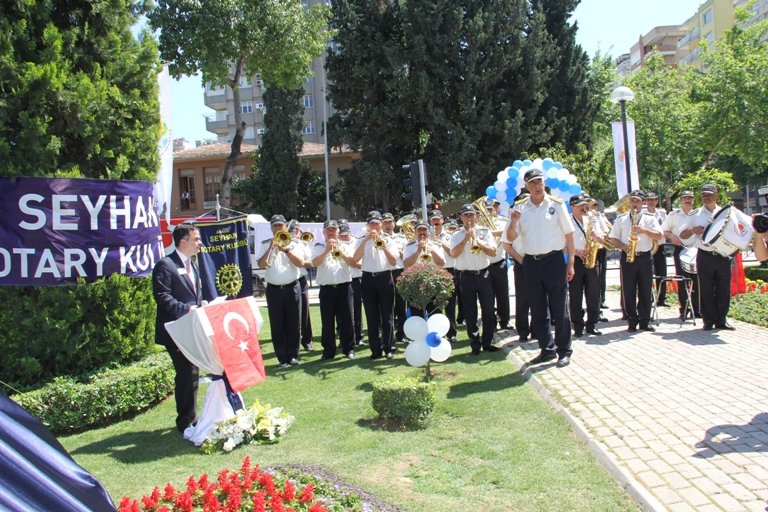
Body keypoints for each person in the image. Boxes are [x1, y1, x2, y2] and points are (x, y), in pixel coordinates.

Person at [506, 168, 575, 368]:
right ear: (526, 186)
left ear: (544, 182)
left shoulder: (556, 204)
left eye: (539, 181)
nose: (537, 186)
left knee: (559, 308)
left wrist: (570, 262)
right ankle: (547, 348)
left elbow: (569, 234)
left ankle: (564, 351)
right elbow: (510, 238)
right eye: (533, 183)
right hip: (531, 262)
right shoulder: (520, 208)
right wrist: (513, 222)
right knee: (537, 309)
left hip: (553, 260)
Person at [152, 222, 203, 432]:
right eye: (196, 239)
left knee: (192, 372)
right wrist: (187, 309)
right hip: (175, 330)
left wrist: (202, 306)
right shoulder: (165, 265)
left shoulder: (193, 263)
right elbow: (162, 297)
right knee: (186, 373)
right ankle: (186, 422)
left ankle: (191, 417)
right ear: (183, 242)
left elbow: (194, 294)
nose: (200, 243)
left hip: (191, 328)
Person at [679, 184, 735, 331]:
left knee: (723, 289)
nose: (706, 197)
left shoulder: (726, 213)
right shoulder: (695, 214)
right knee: (706, 289)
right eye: (704, 194)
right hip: (705, 255)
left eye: (709, 194)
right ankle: (708, 321)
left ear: (716, 195)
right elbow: (682, 234)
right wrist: (692, 230)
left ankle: (721, 320)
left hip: (723, 255)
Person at [450, 203, 500, 356]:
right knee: (470, 312)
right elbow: (453, 254)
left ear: (476, 216)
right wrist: (466, 239)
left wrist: (477, 241)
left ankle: (488, 342)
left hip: (484, 274)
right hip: (466, 276)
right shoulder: (456, 235)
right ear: (461, 217)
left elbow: (493, 252)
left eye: (471, 215)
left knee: (488, 310)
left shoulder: (485, 231)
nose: (469, 218)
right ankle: (475, 344)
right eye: (466, 215)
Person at [609, 190, 663, 332]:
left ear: (643, 202)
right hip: (627, 257)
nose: (635, 203)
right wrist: (623, 246)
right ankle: (632, 321)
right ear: (629, 202)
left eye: (638, 201)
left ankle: (645, 321)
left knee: (645, 289)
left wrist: (643, 230)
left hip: (644, 256)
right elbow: (613, 238)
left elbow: (659, 236)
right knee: (628, 290)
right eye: (632, 200)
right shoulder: (621, 219)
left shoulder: (650, 218)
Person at [257, 215, 306, 366]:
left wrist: (286, 250)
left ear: (285, 226)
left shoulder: (295, 243)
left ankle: (293, 355)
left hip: (292, 287)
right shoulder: (265, 244)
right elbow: (261, 264)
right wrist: (271, 247)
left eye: (280, 225)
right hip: (274, 290)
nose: (278, 228)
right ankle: (281, 357)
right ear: (271, 228)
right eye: (275, 226)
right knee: (277, 324)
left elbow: (300, 263)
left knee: (294, 323)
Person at [353, 211, 399, 359]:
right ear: (368, 225)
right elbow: (355, 259)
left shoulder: (389, 239)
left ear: (381, 225)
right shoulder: (361, 240)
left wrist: (383, 245)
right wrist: (366, 240)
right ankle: (375, 350)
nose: (374, 226)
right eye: (371, 223)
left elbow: (393, 261)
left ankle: (389, 347)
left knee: (387, 316)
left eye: (376, 223)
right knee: (371, 316)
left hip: (385, 277)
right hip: (368, 279)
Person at [311, 219, 356, 360]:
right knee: (327, 321)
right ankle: (328, 351)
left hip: (344, 287)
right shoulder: (318, 246)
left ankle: (349, 349)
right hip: (327, 289)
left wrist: (340, 250)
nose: (331, 232)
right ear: (324, 232)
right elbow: (315, 263)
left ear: (338, 232)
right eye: (328, 230)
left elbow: (353, 263)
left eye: (333, 230)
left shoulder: (346, 245)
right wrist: (326, 250)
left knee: (347, 320)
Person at [568, 194, 603, 337]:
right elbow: (560, 244)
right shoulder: (567, 221)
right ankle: (577, 325)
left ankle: (592, 324)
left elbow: (602, 239)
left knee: (593, 293)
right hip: (576, 260)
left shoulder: (591, 219)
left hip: (592, 258)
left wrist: (596, 237)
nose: (583, 208)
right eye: (580, 205)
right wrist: (576, 252)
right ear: (572, 206)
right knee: (575, 294)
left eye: (584, 205)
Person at [661, 190, 700, 319]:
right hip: (681, 248)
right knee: (683, 280)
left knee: (697, 280)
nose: (688, 200)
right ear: (681, 201)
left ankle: (697, 309)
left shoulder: (698, 214)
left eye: (690, 198)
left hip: (696, 250)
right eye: (685, 198)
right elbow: (664, 231)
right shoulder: (673, 215)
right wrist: (672, 237)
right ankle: (684, 309)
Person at [503, 192, 531, 342]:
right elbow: (506, 245)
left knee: (539, 299)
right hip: (522, 262)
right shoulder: (511, 220)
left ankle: (537, 330)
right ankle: (523, 331)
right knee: (522, 300)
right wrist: (520, 259)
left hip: (538, 261)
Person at [430, 210, 459, 342]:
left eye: (438, 219)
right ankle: (438, 333)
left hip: (448, 270)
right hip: (433, 271)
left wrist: (441, 243)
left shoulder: (450, 236)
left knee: (450, 304)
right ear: (430, 221)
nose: (436, 222)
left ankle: (451, 333)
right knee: (435, 304)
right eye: (433, 219)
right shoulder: (426, 236)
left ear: (442, 220)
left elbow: (454, 253)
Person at [486, 198, 512, 330]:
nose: (492, 209)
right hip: (485, 264)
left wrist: (489, 233)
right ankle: (491, 322)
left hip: (499, 261)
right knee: (488, 296)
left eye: (495, 206)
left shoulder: (503, 221)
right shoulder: (480, 222)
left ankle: (504, 320)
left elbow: (506, 233)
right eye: (489, 207)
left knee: (503, 294)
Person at [382, 212, 407, 345]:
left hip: (399, 272)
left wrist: (399, 252)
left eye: (390, 222)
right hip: (385, 273)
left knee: (401, 304)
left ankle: (401, 333)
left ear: (393, 224)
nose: (388, 225)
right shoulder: (378, 238)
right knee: (386, 306)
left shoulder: (401, 238)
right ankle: (388, 335)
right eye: (385, 222)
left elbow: (407, 257)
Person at [289, 220, 314, 351]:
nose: (296, 231)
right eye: (294, 229)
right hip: (290, 279)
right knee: (292, 313)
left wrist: (301, 243)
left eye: (297, 229)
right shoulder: (284, 241)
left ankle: (307, 340)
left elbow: (309, 260)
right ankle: (294, 341)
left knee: (305, 311)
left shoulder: (302, 243)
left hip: (301, 279)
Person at [338, 221, 364, 346]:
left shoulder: (357, 241)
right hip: (343, 280)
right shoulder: (336, 244)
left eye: (346, 235)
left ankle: (358, 337)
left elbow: (361, 259)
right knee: (343, 313)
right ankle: (344, 338)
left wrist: (356, 263)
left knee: (357, 311)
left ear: (350, 233)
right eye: (341, 235)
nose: (344, 237)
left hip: (356, 279)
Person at [644, 192, 669, 307]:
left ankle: (661, 299)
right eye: (649, 199)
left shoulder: (662, 214)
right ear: (645, 201)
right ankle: (648, 298)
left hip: (660, 245)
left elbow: (666, 228)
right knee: (647, 274)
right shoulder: (642, 215)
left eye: (653, 199)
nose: (651, 202)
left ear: (656, 201)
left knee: (662, 273)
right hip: (648, 246)